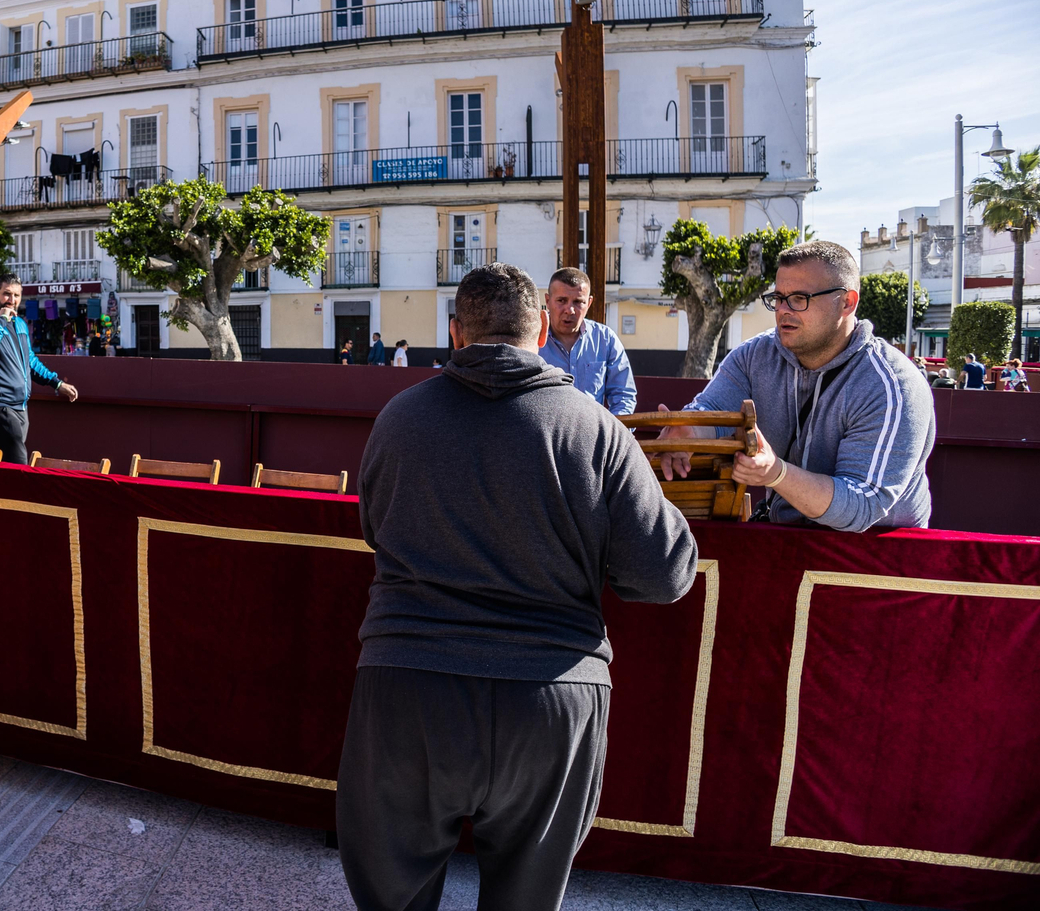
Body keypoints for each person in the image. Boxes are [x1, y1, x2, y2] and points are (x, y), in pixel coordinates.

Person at [340, 263, 697, 911]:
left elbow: (374, 527)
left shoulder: (398, 417)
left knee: (393, 898)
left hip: (410, 690)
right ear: (540, 332)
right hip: (554, 697)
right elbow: (665, 574)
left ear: (456, 333)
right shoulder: (597, 430)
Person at [658, 241, 935, 532]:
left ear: (847, 302)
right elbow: (713, 411)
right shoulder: (755, 356)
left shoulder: (891, 385)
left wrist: (776, 473)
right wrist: (688, 431)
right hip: (788, 539)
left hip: (877, 557)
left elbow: (862, 506)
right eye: (778, 297)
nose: (783, 310)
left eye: (799, 298)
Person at [0, 275, 79, 462]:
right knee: (19, 462)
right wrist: (1, 321)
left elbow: (30, 362)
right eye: (7, 294)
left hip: (20, 406)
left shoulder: (19, 324)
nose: (12, 300)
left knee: (8, 464)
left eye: (16, 295)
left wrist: (57, 384)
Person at [537, 267, 637, 415]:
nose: (569, 310)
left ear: (589, 303)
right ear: (548, 301)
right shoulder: (531, 340)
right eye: (561, 300)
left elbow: (623, 396)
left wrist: (613, 434)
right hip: (545, 435)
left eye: (578, 302)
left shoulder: (605, 339)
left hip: (594, 435)